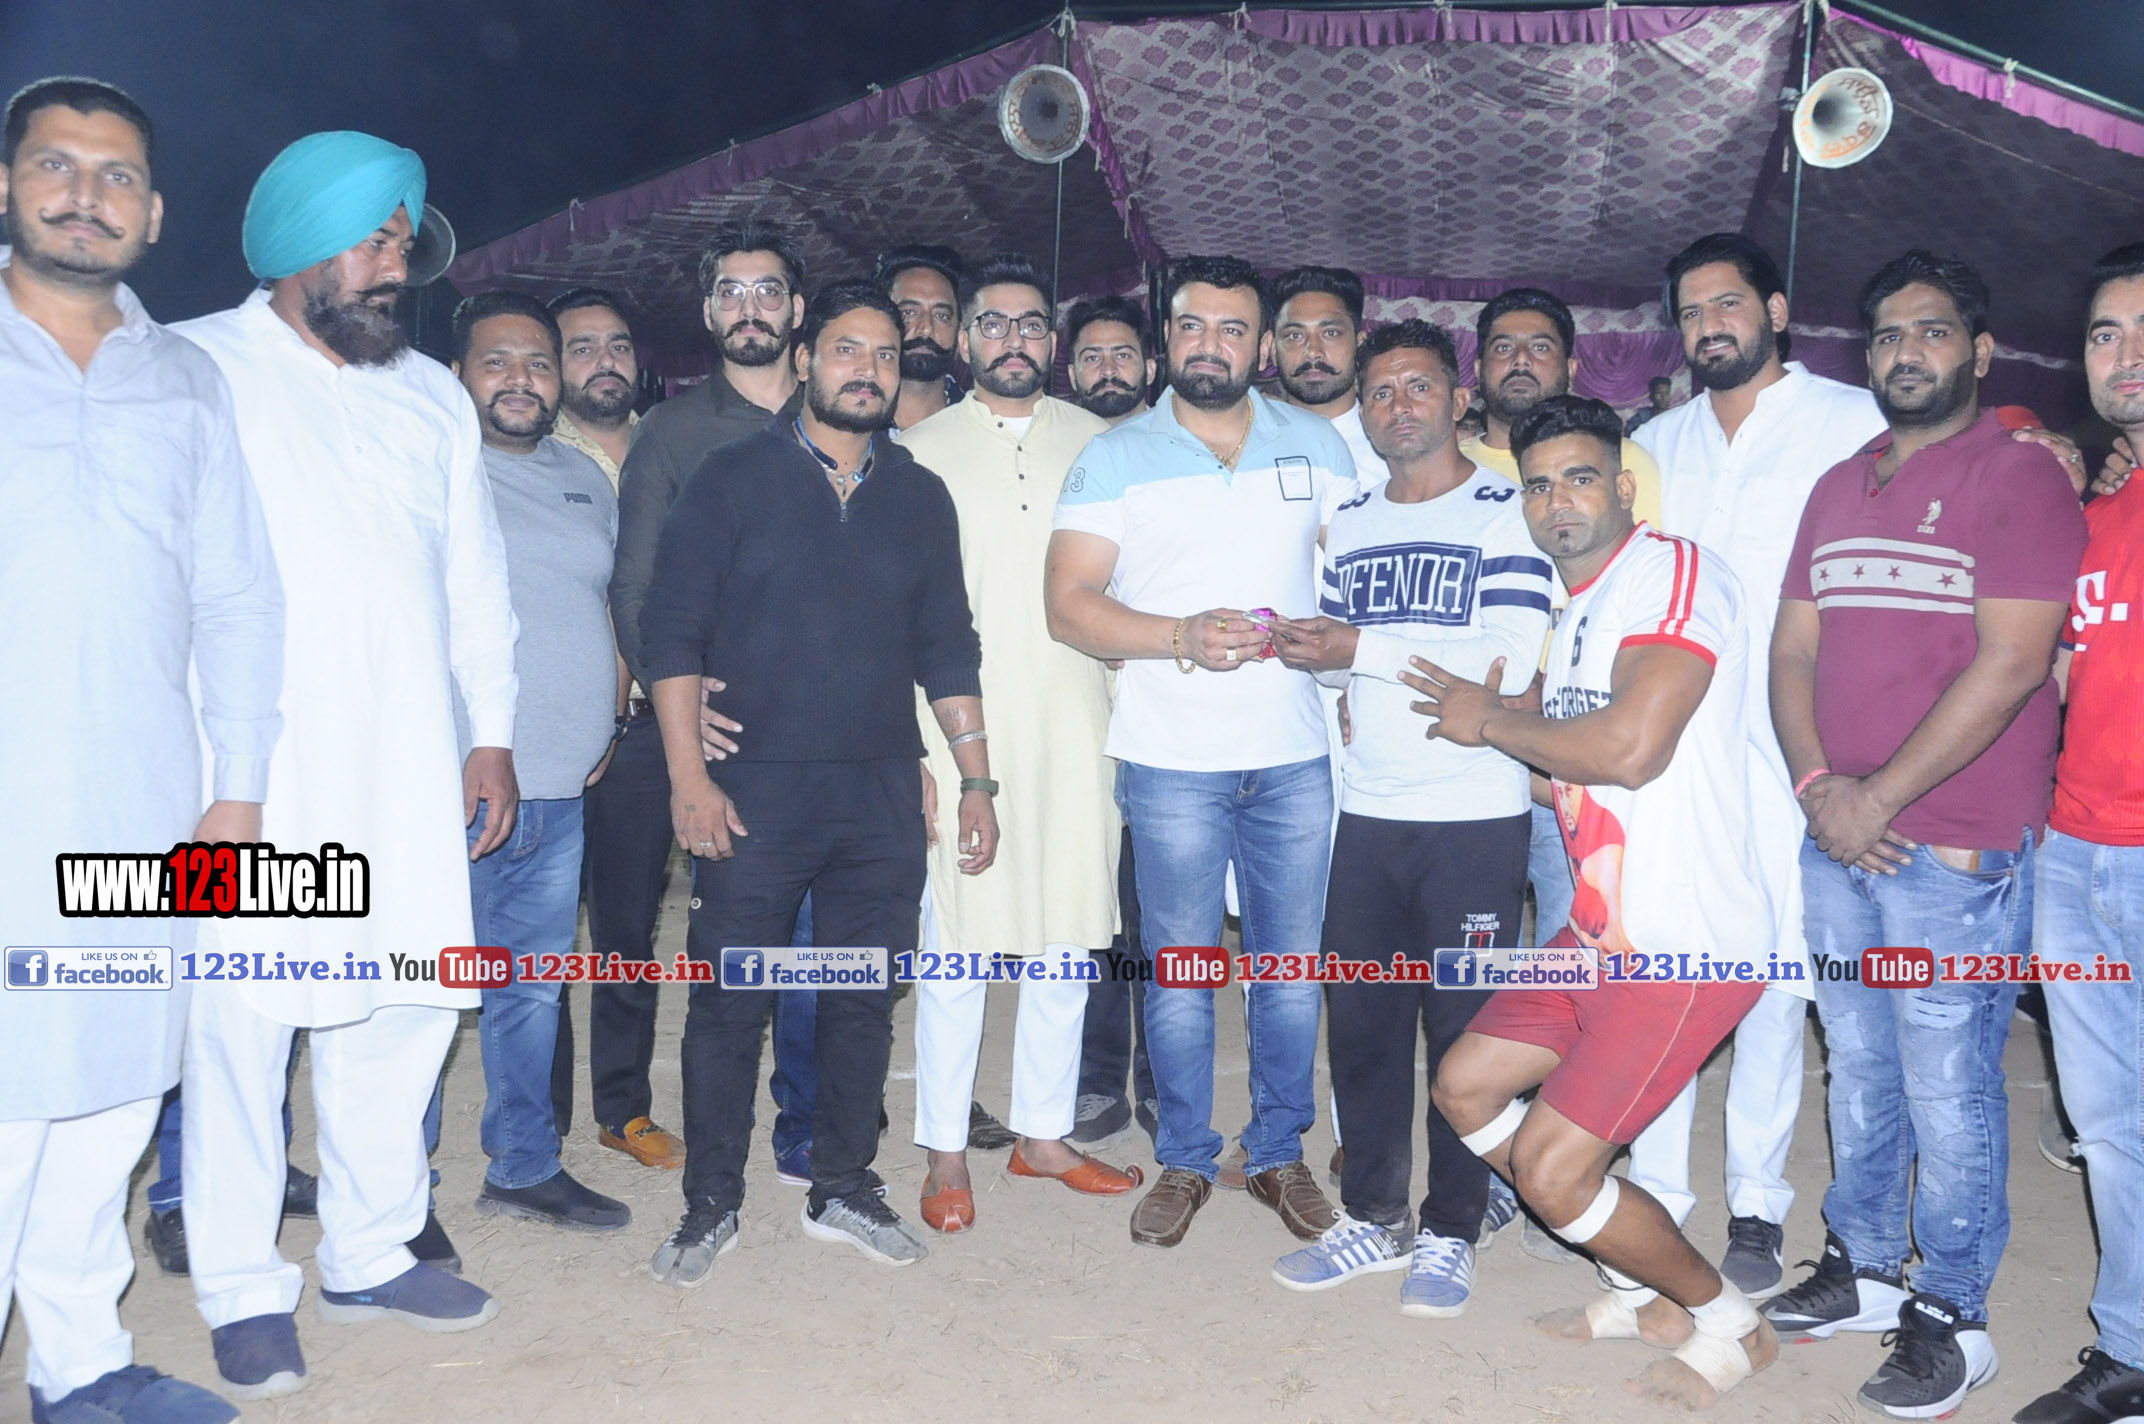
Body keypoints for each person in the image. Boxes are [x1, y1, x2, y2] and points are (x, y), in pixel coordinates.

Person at [172, 130, 518, 1399]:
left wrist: (490, 732)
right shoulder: (192, 367)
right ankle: (239, 1286)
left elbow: (475, 579)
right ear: (294, 241)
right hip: (240, 770)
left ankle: (370, 1251)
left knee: (406, 1004)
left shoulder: (430, 394)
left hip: (409, 760)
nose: (392, 266)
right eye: (370, 239)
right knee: (240, 1027)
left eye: (402, 243)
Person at [0, 75, 281, 1424]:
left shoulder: (187, 380)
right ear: (6, 188)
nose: (85, 195)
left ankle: (81, 1366)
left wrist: (238, 792)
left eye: (116, 176)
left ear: (156, 214)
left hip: (146, 807)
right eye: (55, 165)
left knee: (114, 1093)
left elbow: (237, 597)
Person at [1765, 251, 2086, 1420]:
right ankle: (1860, 1261)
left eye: (1932, 330)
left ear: (1979, 350)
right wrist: (1818, 786)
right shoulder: (1836, 483)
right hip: (1836, 833)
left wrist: (1875, 798)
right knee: (1855, 1061)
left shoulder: (2017, 474)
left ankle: (1952, 1311)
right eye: (1888, 334)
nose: (1906, 351)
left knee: (1947, 1083)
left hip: (1949, 846)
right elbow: (1790, 647)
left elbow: (2011, 662)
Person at [1416, 394, 1777, 1411]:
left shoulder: (1674, 573)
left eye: (1578, 477)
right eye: (1536, 484)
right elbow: (1564, 778)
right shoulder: (1573, 611)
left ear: (1622, 486)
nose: (1556, 500)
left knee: (1550, 1170)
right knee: (1465, 1087)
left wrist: (1491, 722)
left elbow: (1627, 750)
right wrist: (1494, 720)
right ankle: (1638, 1287)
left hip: (1685, 941)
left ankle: (1730, 1322)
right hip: (1598, 931)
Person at [639, 279, 995, 1281]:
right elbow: (672, 631)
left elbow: (947, 643)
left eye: (884, 354)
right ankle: (710, 1202)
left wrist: (976, 780)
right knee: (729, 1002)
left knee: (860, 996)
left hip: (879, 795)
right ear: (804, 358)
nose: (866, 369)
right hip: (752, 791)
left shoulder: (918, 494)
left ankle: (842, 1183)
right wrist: (687, 776)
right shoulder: (730, 477)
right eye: (847, 349)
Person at [1046, 254, 1355, 1249]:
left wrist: (1343, 660)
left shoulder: (1318, 444)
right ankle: (1184, 1156)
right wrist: (1176, 634)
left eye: (1231, 329)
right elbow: (1067, 604)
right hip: (1170, 760)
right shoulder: (1114, 456)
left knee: (1289, 971)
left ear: (1260, 346)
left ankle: (1276, 1152)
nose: (1209, 345)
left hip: (1293, 757)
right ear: (1166, 338)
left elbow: (1352, 582)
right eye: (1191, 326)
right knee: (1179, 973)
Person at [1619, 233, 1886, 1298]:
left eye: (1726, 304)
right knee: (1666, 968)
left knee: (1775, 980)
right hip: (1674, 754)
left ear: (1775, 311)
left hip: (1794, 749)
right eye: (1690, 313)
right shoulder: (1654, 444)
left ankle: (1756, 1204)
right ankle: (1654, 1191)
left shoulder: (1854, 422)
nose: (1707, 327)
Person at [1264, 320, 1549, 1315]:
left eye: (1418, 386)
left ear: (1458, 398)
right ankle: (1373, 1214)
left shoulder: (1507, 509)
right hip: (1368, 808)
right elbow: (1344, 663)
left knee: (1464, 1033)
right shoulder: (1348, 517)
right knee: (1365, 1024)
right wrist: (1321, 656)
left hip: (1475, 811)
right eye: (1380, 391)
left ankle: (1450, 1228)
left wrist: (1364, 650)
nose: (1398, 406)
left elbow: (1506, 658)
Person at [898, 254, 1138, 1233]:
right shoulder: (915, 449)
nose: (1012, 340)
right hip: (956, 735)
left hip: (1082, 725)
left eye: (1030, 324)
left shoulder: (1103, 444)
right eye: (992, 324)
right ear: (963, 340)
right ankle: (945, 1148)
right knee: (955, 944)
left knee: (1067, 934)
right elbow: (892, 611)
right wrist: (908, 749)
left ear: (1054, 341)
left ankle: (1043, 1134)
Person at [1458, 284, 1667, 1263]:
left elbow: (1633, 616)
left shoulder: (1637, 491)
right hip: (1494, 763)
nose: (1519, 361)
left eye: (1538, 346)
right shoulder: (1456, 464)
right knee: (1501, 978)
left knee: (1600, 983)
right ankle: (1533, 1172)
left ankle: (1587, 1175)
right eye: (1501, 347)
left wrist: (1507, 718)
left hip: (1585, 771)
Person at [599, 219, 808, 1176]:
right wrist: (679, 706)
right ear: (709, 312)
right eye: (731, 291)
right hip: (691, 722)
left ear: (796, 308)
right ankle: (629, 1110)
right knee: (644, 924)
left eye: (767, 290)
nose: (749, 307)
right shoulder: (672, 433)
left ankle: (808, 1119)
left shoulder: (839, 412)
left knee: (808, 933)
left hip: (809, 731)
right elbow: (635, 588)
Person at [446, 290, 631, 1233]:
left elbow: (608, 604)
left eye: (538, 364)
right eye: (497, 362)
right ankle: (392, 1191)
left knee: (530, 991)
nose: (521, 380)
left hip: (560, 786)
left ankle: (522, 1166)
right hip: (452, 785)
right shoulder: (433, 468)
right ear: (457, 375)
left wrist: (608, 716)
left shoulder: (584, 476)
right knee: (425, 992)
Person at [2020, 240, 2144, 1424]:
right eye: (2105, 332)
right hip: (2074, 856)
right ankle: (2130, 1347)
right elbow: (2054, 680)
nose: (2125, 353)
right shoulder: (2091, 523)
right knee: (2107, 1124)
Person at [1060, 292, 1159, 1151]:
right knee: (1096, 907)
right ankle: (1098, 1077)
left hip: (1168, 720)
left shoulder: (1185, 450)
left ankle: (1162, 1075)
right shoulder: (1056, 451)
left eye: (1122, 353)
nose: (1107, 370)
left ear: (1151, 366)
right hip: (1074, 719)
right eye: (1091, 356)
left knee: (1158, 911)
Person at [1272, 264, 1385, 482]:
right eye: (1295, 335)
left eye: (1331, 333)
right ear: (1271, 349)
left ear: (1360, 344)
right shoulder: (1243, 446)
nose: (1313, 351)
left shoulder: (1393, 448)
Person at [878, 242, 965, 431]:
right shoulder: (847, 426)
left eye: (941, 316)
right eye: (909, 313)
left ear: (960, 331)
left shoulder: (983, 428)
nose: (926, 329)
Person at [1064, 293, 1155, 425]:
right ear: (1072, 376)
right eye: (1093, 358)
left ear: (1150, 370)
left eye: (1122, 356)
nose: (1108, 370)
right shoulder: (1054, 437)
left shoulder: (1179, 435)